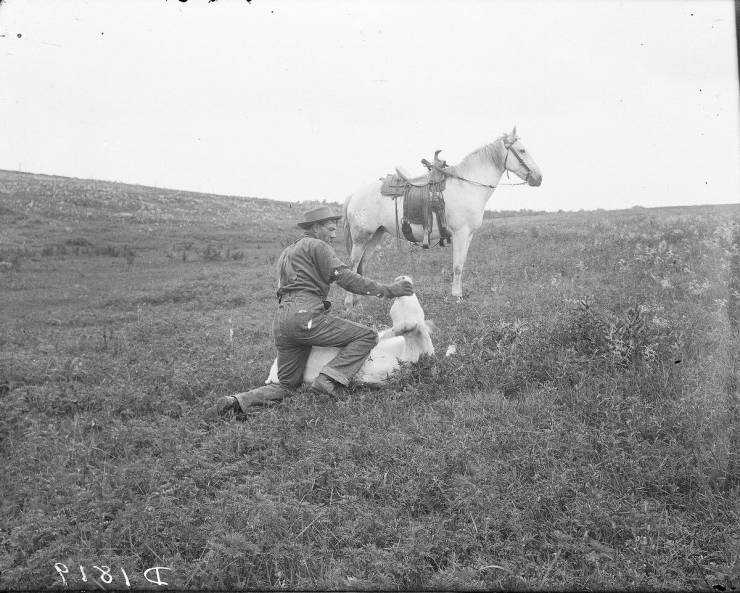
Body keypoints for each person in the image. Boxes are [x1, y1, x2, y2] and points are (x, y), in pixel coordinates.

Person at [207, 205, 414, 417]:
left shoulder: (287, 252)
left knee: (287, 385)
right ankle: (328, 382)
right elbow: (345, 277)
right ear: (315, 228)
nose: (334, 235)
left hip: (282, 320)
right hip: (304, 315)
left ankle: (237, 401)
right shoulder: (317, 245)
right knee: (367, 335)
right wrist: (388, 290)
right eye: (330, 229)